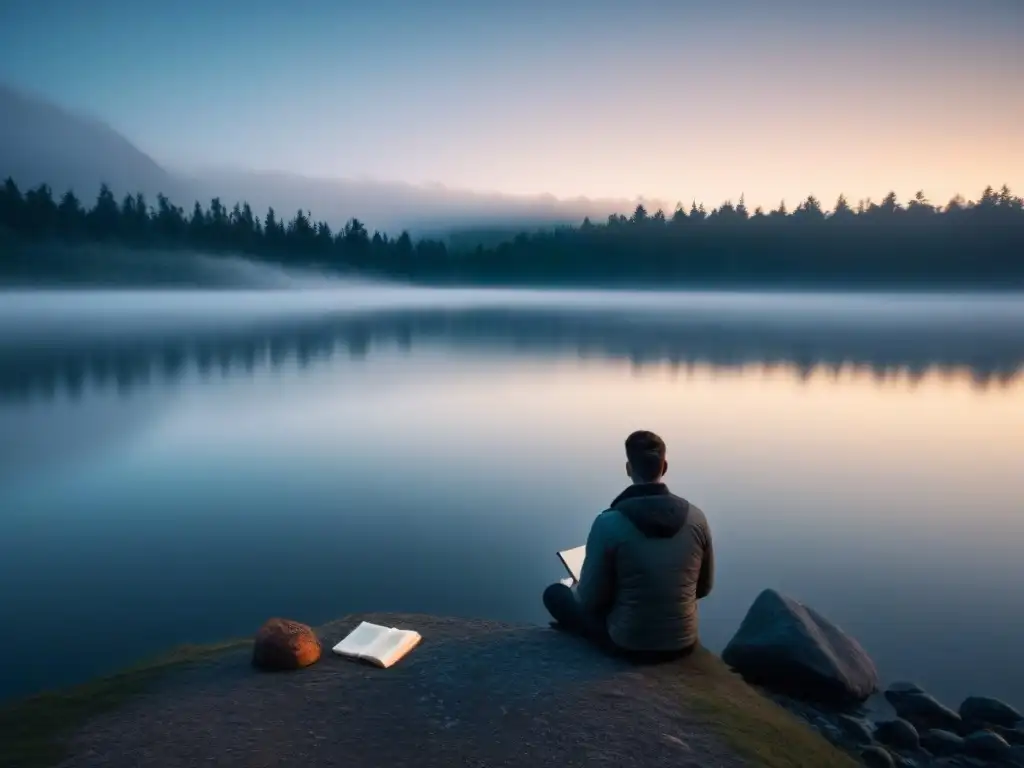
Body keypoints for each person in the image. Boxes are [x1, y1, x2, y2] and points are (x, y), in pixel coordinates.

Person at [543, 430, 714, 661]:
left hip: (629, 644)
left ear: (629, 468)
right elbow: (703, 588)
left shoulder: (609, 522)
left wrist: (578, 586)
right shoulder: (697, 518)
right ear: (664, 467)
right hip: (684, 642)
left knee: (555, 594)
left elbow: (590, 601)